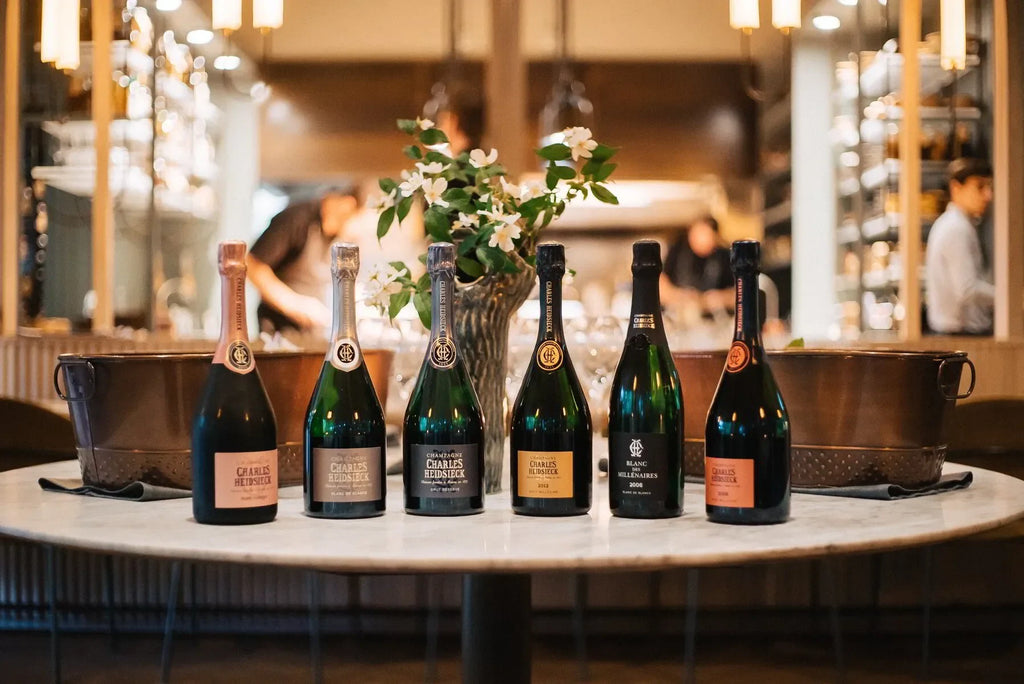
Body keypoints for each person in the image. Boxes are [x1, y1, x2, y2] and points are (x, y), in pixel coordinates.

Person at [247, 187, 362, 333]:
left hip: (313, 329)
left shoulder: (339, 236)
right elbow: (252, 264)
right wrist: (294, 303)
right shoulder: (296, 219)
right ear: (347, 204)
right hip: (279, 327)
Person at [925, 158, 994, 334]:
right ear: (956, 188)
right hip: (959, 333)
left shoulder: (954, 224)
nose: (988, 195)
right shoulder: (956, 228)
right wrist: (1010, 297)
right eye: (980, 186)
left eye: (989, 187)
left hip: (955, 332)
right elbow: (967, 289)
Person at [661, 216, 734, 318]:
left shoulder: (725, 256)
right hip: (679, 315)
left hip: (715, 318)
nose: (701, 238)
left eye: (706, 234)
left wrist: (720, 298)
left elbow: (739, 293)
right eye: (697, 233)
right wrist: (679, 296)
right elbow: (661, 285)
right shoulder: (677, 250)